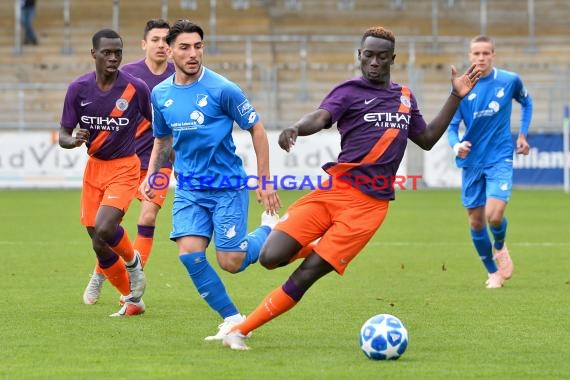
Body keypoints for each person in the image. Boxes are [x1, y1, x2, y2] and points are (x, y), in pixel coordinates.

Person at [221, 26, 482, 350]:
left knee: (306, 276)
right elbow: (321, 117)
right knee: (270, 258)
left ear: (392, 59)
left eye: (382, 57)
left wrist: (456, 96)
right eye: (368, 55)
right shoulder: (349, 91)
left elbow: (426, 140)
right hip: (334, 190)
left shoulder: (404, 97)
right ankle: (314, 238)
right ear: (360, 56)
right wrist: (296, 129)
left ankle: (240, 331)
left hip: (369, 208)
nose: (374, 62)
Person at [140, 19, 281, 340]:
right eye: (185, 47)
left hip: (226, 187)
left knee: (231, 261)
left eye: (198, 46)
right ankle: (232, 318)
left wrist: (265, 180)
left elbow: (256, 129)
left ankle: (270, 228)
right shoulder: (161, 94)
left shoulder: (223, 89)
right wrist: (152, 177)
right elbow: (162, 140)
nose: (193, 54)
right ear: (170, 51)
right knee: (189, 253)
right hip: (189, 189)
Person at [82, 19, 175, 306]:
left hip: (159, 163)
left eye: (166, 41)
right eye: (156, 39)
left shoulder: (180, 78)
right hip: (126, 163)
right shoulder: (127, 76)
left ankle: (134, 282)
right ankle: (101, 273)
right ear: (144, 44)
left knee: (147, 217)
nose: (161, 45)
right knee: (106, 229)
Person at [59, 28, 152, 316]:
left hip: (125, 166)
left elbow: (160, 126)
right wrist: (72, 141)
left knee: (105, 227)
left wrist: (166, 155)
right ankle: (130, 298)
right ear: (94, 54)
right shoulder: (78, 89)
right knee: (97, 240)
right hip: (94, 168)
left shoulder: (135, 88)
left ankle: (133, 263)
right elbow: (63, 133)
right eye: (107, 53)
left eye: (118, 53)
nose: (113, 58)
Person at [447, 35, 532, 289]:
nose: (481, 58)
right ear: (470, 56)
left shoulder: (509, 80)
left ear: (493, 55)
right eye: (476, 54)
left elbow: (527, 102)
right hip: (472, 161)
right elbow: (452, 127)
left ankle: (499, 245)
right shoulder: (462, 87)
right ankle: (493, 272)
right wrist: (457, 145)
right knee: (475, 220)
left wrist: (523, 133)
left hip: (499, 156)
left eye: (486, 53)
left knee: (494, 215)